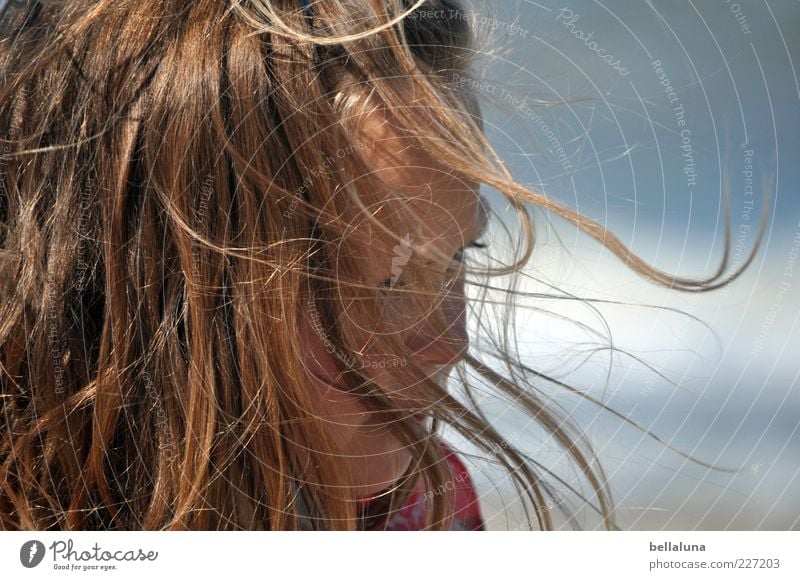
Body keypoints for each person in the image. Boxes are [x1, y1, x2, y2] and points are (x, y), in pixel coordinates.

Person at [0, 0, 764, 531]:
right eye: (379, 282)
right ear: (142, 273)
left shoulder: (422, 517)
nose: (448, 342)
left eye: (456, 259)